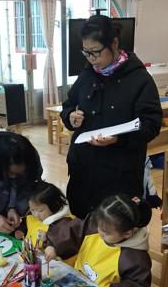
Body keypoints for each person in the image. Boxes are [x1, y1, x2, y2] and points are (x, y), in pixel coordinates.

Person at [60, 14, 162, 219]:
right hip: (84, 169)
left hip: (119, 173)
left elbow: (151, 124)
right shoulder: (88, 74)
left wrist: (119, 139)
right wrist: (70, 116)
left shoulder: (139, 79)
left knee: (115, 226)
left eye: (96, 52)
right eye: (86, 52)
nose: (91, 59)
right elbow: (69, 104)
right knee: (83, 222)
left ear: (114, 44)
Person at [46, 194, 153, 287]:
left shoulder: (135, 257)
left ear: (127, 234)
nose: (100, 233)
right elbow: (72, 232)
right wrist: (53, 245)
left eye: (106, 233)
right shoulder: (95, 225)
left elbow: (139, 285)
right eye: (99, 226)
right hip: (76, 286)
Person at [15, 181, 78, 266]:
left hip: (61, 266)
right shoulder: (32, 216)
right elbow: (27, 223)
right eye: (32, 210)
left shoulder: (66, 223)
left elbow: (65, 243)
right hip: (33, 259)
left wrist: (47, 239)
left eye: (40, 210)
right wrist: (22, 230)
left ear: (54, 206)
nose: (36, 214)